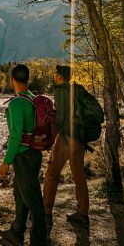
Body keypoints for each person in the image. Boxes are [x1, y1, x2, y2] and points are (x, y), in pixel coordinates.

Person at [0, 64, 47, 246]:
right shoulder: (34, 99)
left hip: (24, 156)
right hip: (34, 154)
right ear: (27, 79)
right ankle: (16, 232)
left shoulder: (17, 104)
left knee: (33, 200)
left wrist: (6, 162)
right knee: (20, 194)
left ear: (12, 79)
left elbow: (16, 137)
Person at [43, 65, 90, 229]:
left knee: (51, 174)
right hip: (80, 138)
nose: (54, 76)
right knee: (79, 176)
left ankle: (46, 213)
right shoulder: (79, 89)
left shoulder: (60, 91)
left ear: (60, 77)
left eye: (55, 74)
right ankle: (83, 214)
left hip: (66, 138)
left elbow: (61, 119)